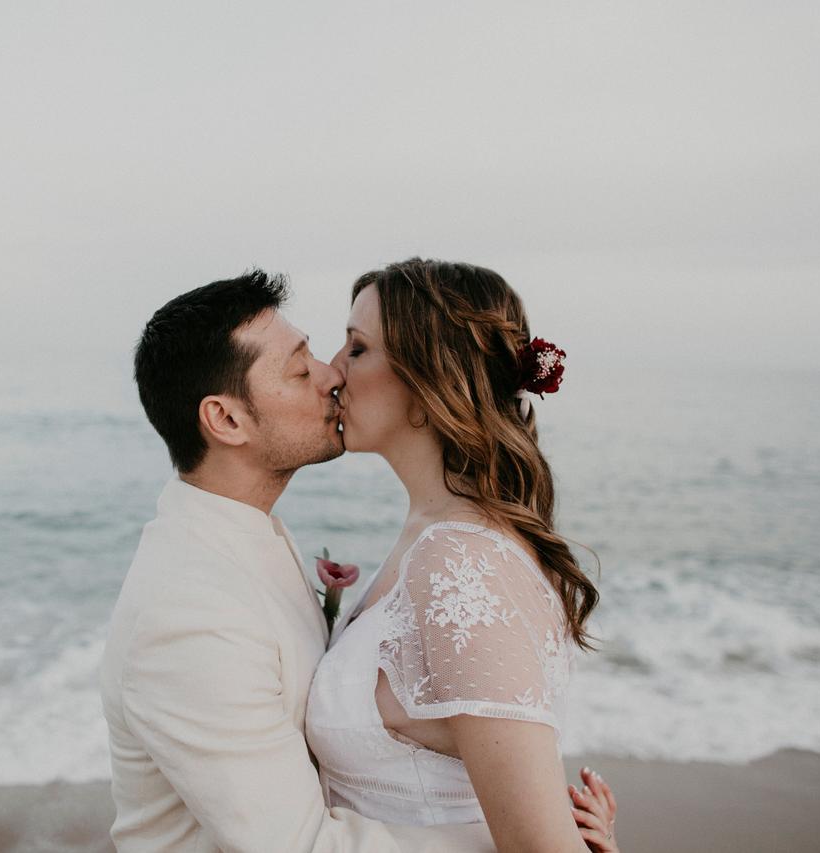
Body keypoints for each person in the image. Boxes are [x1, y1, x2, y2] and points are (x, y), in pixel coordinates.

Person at [99, 271, 501, 852]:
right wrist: (516, 840)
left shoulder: (242, 534)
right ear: (227, 420)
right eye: (299, 368)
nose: (332, 375)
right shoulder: (187, 614)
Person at [305, 258, 619, 852]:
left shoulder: (461, 562)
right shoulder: (432, 537)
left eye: (357, 348)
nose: (330, 371)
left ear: (429, 384)